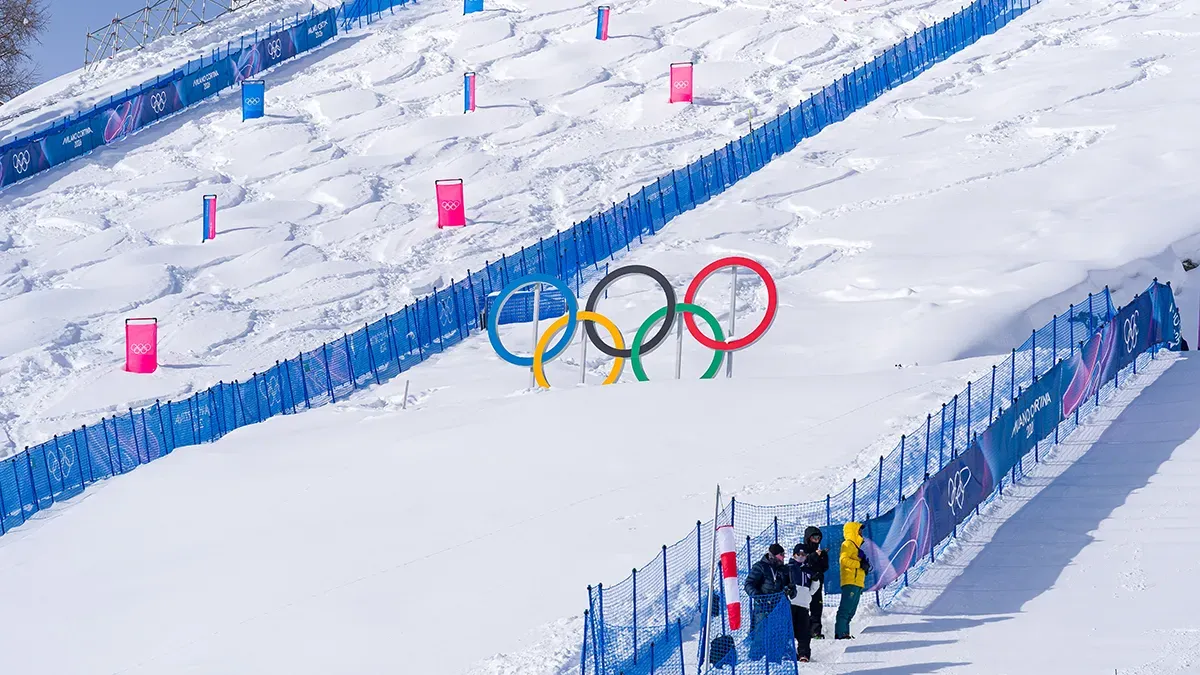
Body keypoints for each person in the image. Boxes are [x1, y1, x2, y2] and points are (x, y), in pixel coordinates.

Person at [745, 543, 789, 660]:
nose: (783, 557)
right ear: (773, 555)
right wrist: (759, 597)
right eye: (781, 555)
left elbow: (790, 585)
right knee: (761, 634)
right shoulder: (760, 567)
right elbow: (749, 584)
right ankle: (755, 660)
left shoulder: (783, 569)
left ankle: (775, 659)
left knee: (778, 634)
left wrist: (790, 590)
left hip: (778, 607)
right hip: (763, 607)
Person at [835, 521, 870, 640]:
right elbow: (843, 560)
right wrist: (860, 564)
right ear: (853, 531)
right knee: (845, 609)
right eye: (859, 530)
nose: (861, 532)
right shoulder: (848, 544)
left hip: (857, 583)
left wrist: (864, 567)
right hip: (850, 581)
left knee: (851, 610)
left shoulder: (857, 548)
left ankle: (845, 633)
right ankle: (840, 633)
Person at [787, 544, 819, 662]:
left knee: (804, 631)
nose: (801, 557)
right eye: (798, 554)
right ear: (794, 555)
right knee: (788, 630)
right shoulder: (789, 567)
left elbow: (813, 590)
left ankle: (803, 654)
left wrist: (815, 580)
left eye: (803, 555)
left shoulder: (808, 570)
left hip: (804, 604)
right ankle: (788, 653)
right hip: (791, 603)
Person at [801, 526, 830, 639]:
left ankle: (815, 632)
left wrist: (822, 557)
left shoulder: (820, 551)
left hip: (817, 584)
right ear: (808, 538)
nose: (816, 540)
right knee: (802, 609)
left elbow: (824, 567)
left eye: (818, 538)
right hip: (804, 585)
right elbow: (802, 562)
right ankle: (802, 632)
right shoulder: (802, 549)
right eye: (814, 538)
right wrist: (814, 556)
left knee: (816, 608)